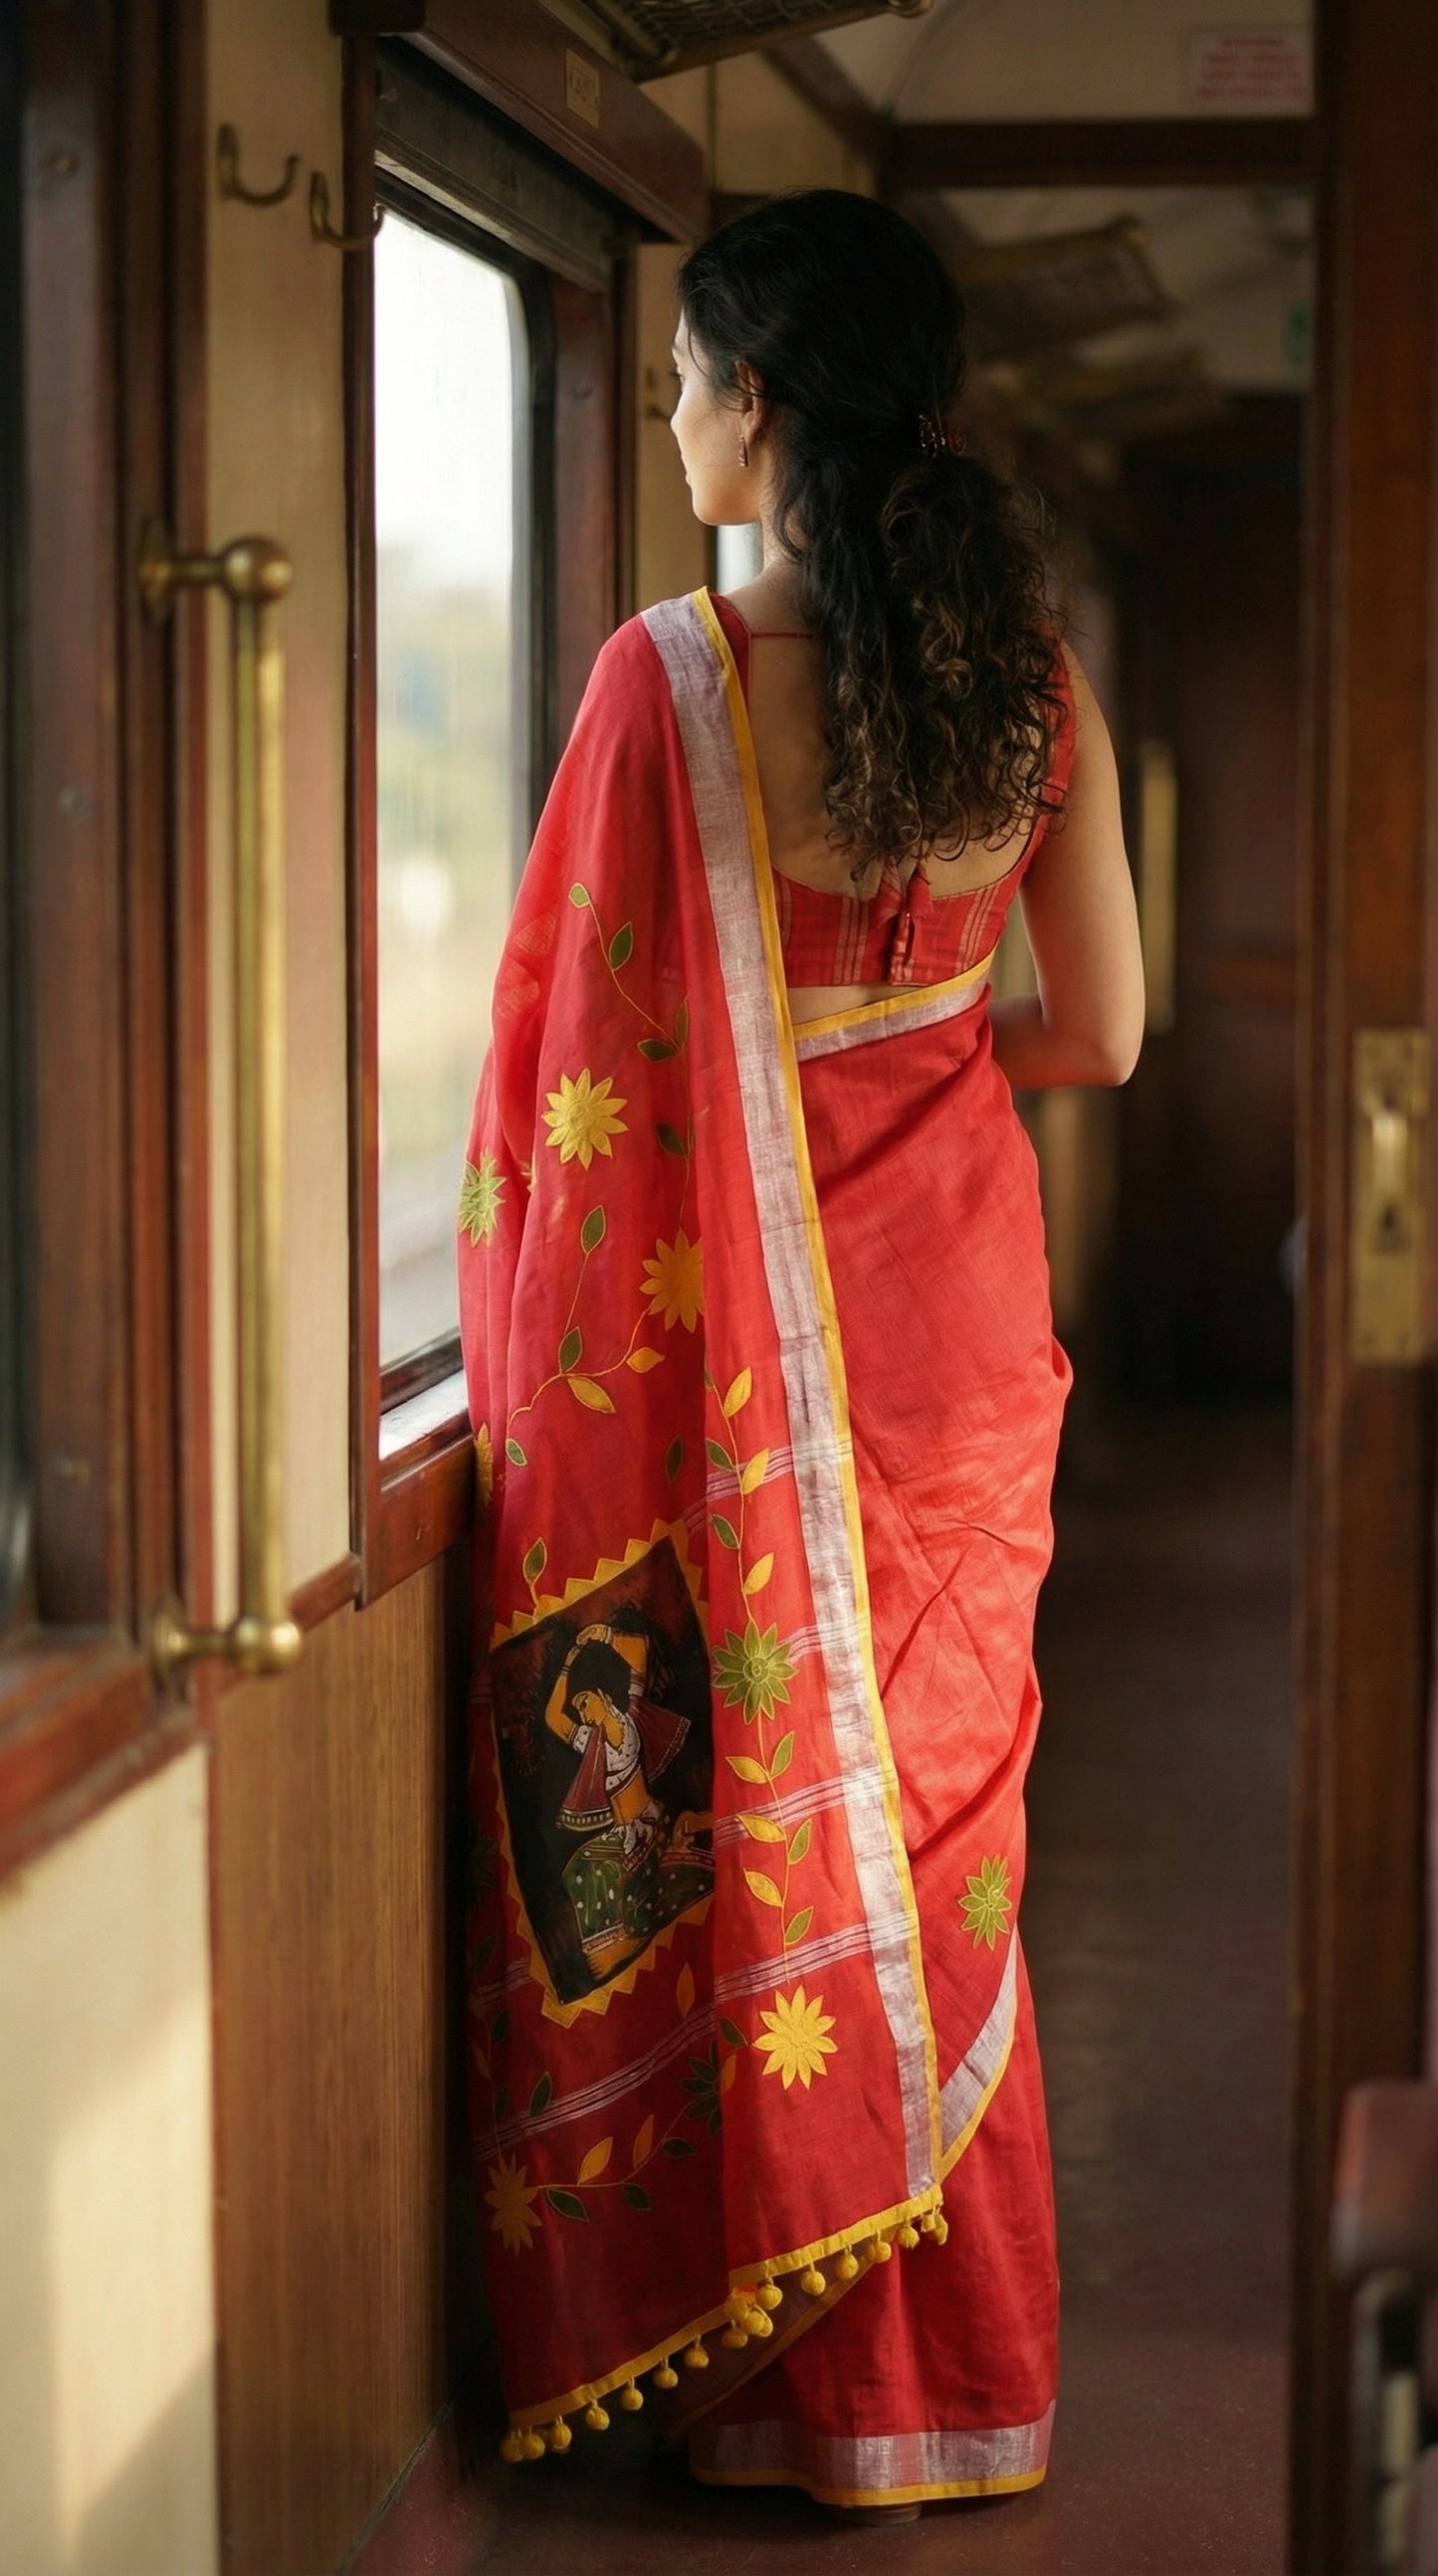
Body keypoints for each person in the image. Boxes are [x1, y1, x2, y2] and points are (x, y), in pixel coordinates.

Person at [459, 188, 1143, 2517]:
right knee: (948, 1852)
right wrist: (926, 1041)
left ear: (757, 401)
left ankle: (771, 2383)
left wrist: (783, 1073)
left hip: (748, 1353)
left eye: (677, 381)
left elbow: (566, 1054)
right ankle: (948, 2395)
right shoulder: (1026, 671)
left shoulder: (667, 680)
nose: (666, 423)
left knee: (763, 1836)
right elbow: (1115, 1029)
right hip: (957, 1325)